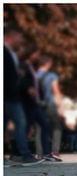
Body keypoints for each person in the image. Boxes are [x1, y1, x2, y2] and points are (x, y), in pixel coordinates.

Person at [4, 27, 41, 166]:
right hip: (8, 96)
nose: (20, 40)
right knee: (20, 123)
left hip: (12, 96)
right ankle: (24, 155)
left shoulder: (11, 53)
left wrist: (18, 75)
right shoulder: (4, 52)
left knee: (12, 124)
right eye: (19, 37)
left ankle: (21, 154)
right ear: (11, 36)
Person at [20, 42, 53, 161]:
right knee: (26, 127)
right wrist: (28, 89)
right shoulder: (23, 66)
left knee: (45, 125)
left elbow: (36, 84)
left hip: (36, 103)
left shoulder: (32, 68)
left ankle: (46, 153)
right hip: (28, 102)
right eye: (37, 54)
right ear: (31, 54)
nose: (38, 57)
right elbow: (21, 81)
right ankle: (21, 153)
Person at [37, 55, 64, 161]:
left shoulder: (34, 74)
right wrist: (61, 106)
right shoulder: (51, 75)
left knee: (39, 129)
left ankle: (40, 154)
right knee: (57, 127)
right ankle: (54, 152)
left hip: (38, 104)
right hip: (50, 104)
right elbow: (56, 91)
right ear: (47, 63)